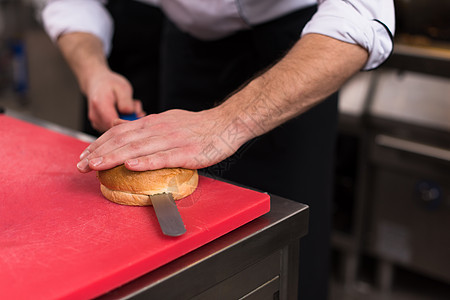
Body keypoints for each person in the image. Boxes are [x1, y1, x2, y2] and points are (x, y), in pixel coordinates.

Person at [41, 1, 395, 299]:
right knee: (180, 259)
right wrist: (95, 72)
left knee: (287, 246)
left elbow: (360, 14)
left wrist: (226, 125)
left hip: (301, 51)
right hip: (188, 47)